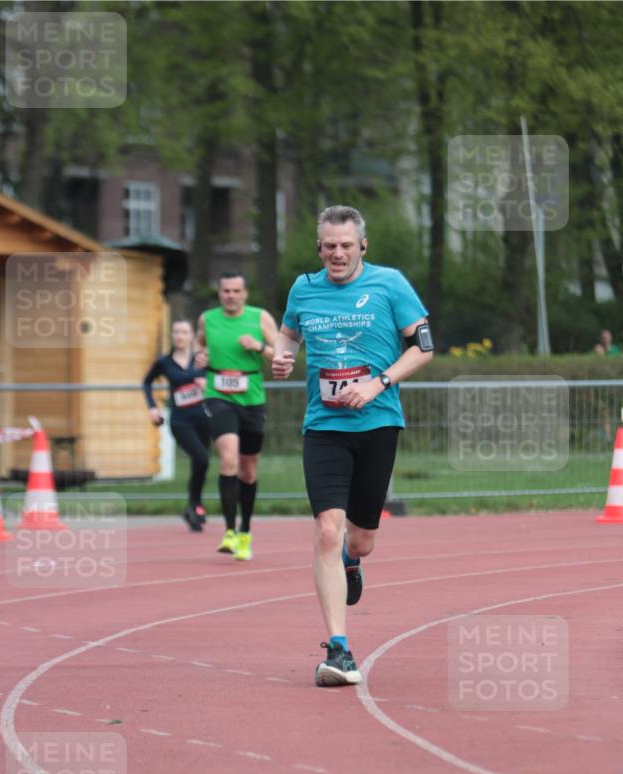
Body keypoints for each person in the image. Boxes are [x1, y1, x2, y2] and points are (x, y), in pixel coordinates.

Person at [272, 205, 434, 687]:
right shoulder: (304, 288)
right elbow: (288, 334)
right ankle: (339, 649)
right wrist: (283, 357)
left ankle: (352, 559)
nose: (337, 253)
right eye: (329, 246)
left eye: (346, 245)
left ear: (362, 246)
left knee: (360, 539)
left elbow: (424, 346)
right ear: (319, 248)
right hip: (323, 427)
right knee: (327, 530)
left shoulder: (390, 285)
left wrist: (378, 383)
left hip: (377, 423)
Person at [197, 272, 279, 560]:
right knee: (228, 458)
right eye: (226, 291)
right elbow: (199, 345)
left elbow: (282, 354)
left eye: (235, 291)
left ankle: (245, 531)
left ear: (244, 294)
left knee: (248, 470)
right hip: (218, 395)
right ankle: (229, 531)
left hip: (252, 399)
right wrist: (200, 356)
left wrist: (259, 346)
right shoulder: (207, 319)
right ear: (219, 294)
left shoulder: (260, 318)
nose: (230, 296)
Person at [143, 319, 210, 532]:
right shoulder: (164, 362)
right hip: (181, 421)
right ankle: (195, 505)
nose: (180, 336)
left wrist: (207, 385)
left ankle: (193, 507)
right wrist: (152, 407)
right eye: (176, 332)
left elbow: (217, 379)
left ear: (192, 336)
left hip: (204, 419)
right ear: (172, 336)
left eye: (184, 332)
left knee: (200, 463)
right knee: (201, 458)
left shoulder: (201, 360)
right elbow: (146, 382)